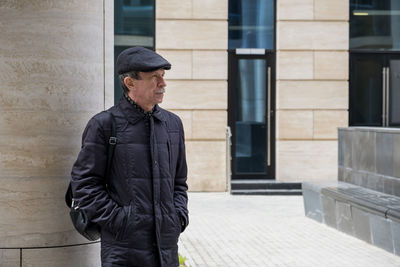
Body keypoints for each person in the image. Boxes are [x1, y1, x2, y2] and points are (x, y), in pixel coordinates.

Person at [71, 47, 189, 267]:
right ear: (129, 82)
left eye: (162, 77)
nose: (163, 84)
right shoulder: (104, 125)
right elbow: (85, 184)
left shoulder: (173, 125)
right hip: (123, 252)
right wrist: (121, 221)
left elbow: (179, 183)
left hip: (166, 250)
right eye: (154, 77)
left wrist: (178, 217)